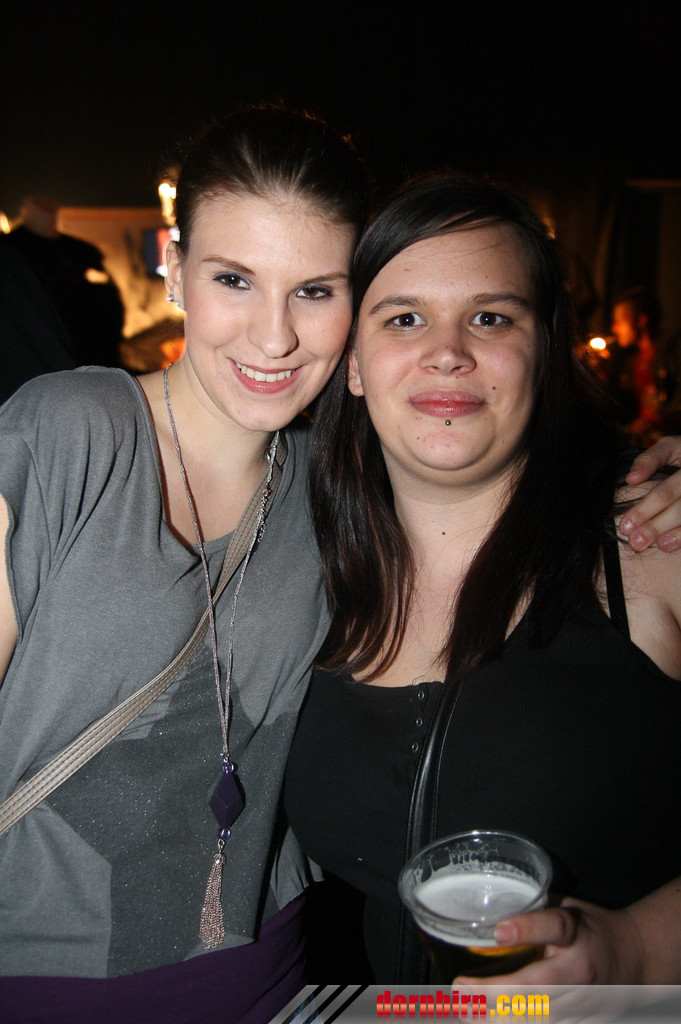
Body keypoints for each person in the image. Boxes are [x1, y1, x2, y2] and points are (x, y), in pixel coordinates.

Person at [0, 105, 368, 1024]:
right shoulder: (69, 433)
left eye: (314, 291)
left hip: (272, 973)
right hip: (38, 977)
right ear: (174, 268)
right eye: (234, 279)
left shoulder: (335, 487)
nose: (273, 337)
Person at [285, 174, 681, 986]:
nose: (446, 351)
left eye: (490, 317)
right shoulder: (302, 565)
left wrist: (633, 949)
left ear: (545, 350)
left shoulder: (652, 545)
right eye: (403, 318)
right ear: (352, 364)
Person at [0, 195, 125, 369]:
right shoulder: (10, 257)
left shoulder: (82, 251)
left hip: (90, 353)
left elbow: (109, 297)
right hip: (34, 357)